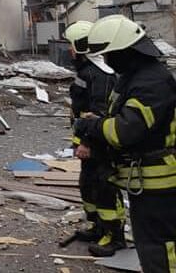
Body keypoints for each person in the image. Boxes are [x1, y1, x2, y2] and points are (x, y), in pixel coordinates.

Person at [75, 15, 176, 272]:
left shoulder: (151, 82)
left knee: (159, 246)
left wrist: (92, 126)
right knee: (151, 244)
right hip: (146, 180)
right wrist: (100, 123)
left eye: (110, 54)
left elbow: (125, 131)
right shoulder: (136, 76)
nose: (107, 60)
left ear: (125, 51)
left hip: (158, 181)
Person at [63, 20, 125, 256]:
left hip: (100, 144)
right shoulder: (86, 71)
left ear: (81, 46)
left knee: (104, 186)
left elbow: (98, 114)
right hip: (88, 140)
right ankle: (98, 226)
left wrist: (87, 142)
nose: (69, 50)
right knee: (88, 185)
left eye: (71, 45)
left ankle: (114, 235)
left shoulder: (101, 74)